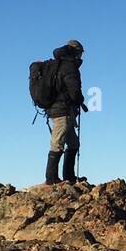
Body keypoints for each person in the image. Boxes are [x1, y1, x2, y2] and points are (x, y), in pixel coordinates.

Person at [44, 39, 89, 185]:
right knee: (57, 143)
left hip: (61, 109)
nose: (81, 57)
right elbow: (74, 90)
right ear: (75, 52)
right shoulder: (69, 67)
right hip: (61, 110)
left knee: (73, 142)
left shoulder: (58, 65)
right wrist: (79, 99)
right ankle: (51, 179)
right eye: (80, 53)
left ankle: (69, 177)